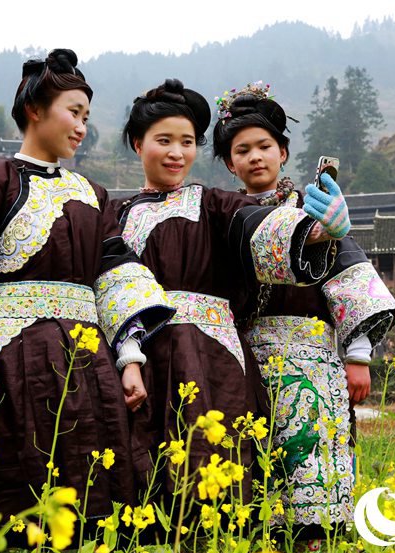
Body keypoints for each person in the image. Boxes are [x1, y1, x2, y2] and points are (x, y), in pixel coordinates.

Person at [0, 49, 174, 545]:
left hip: (88, 365)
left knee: (93, 497)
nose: (82, 127)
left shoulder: (93, 194)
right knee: (7, 491)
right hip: (9, 365)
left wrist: (129, 358)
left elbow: (117, 279)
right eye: (73, 112)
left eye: (86, 116)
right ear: (35, 109)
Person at [114, 78, 351, 501]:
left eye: (187, 142)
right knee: (143, 480)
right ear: (137, 143)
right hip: (140, 359)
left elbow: (258, 224)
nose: (176, 152)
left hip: (209, 362)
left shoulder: (214, 204)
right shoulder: (113, 215)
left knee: (213, 481)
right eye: (163, 140)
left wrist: (318, 230)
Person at [212, 82, 395, 553]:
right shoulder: (221, 218)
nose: (255, 158)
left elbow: (351, 279)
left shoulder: (313, 212)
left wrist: (358, 355)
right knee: (253, 479)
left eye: (264, 146)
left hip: (311, 365)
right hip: (243, 365)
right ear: (229, 162)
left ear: (283, 151)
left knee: (311, 474)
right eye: (242, 150)